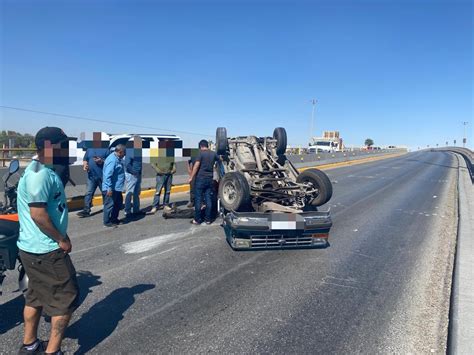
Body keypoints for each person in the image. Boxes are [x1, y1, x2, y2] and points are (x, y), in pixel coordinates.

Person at [17, 127, 79, 355]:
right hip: (46, 251)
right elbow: (38, 215)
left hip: (33, 249)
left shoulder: (42, 168)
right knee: (65, 300)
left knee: (35, 296)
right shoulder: (39, 174)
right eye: (63, 145)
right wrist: (61, 238)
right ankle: (53, 351)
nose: (66, 149)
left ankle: (30, 345)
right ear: (49, 147)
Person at [188, 139, 218, 225]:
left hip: (200, 179)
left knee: (198, 199)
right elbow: (219, 161)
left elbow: (196, 166)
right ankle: (208, 219)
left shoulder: (200, 153)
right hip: (209, 179)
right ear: (207, 145)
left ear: (201, 146)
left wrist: (191, 177)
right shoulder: (213, 153)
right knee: (208, 199)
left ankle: (197, 219)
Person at [76, 141, 108, 217]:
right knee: (88, 193)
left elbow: (109, 161)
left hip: (102, 176)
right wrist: (85, 165)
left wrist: (101, 161)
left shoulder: (106, 150)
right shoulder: (90, 149)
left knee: (105, 193)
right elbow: (85, 159)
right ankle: (86, 210)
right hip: (91, 176)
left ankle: (107, 208)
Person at [102, 144, 126, 227]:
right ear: (120, 152)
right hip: (111, 188)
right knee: (109, 205)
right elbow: (107, 175)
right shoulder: (112, 160)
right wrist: (109, 188)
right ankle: (107, 222)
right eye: (124, 153)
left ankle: (114, 219)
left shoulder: (117, 159)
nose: (124, 155)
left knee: (118, 203)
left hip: (117, 187)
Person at [124, 136, 143, 219]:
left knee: (136, 193)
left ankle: (136, 210)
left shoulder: (138, 151)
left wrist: (139, 173)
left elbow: (138, 163)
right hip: (131, 175)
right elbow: (127, 164)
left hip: (138, 175)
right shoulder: (130, 151)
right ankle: (127, 211)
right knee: (129, 193)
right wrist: (133, 172)